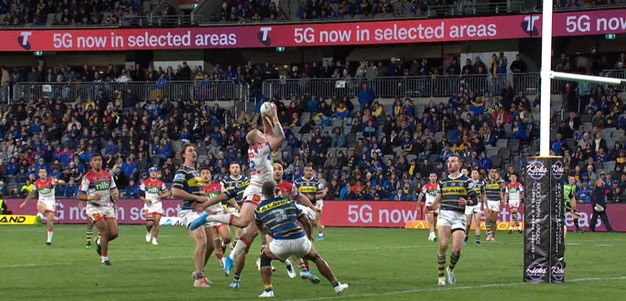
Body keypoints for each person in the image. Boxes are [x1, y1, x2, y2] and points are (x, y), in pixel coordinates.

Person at [189, 102, 288, 277]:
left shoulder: (256, 146)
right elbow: (279, 137)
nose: (264, 135)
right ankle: (208, 217)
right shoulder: (259, 150)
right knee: (242, 222)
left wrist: (264, 116)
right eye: (261, 135)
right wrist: (275, 116)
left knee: (254, 231)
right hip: (256, 190)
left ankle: (231, 259)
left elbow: (267, 132)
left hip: (263, 191)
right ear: (258, 141)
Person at [254, 180, 349, 298]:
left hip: (281, 242)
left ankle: (268, 291)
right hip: (299, 238)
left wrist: (273, 230)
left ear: (262, 193)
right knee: (316, 257)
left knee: (265, 257)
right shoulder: (288, 202)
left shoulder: (259, 209)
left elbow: (260, 227)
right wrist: (308, 236)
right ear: (276, 191)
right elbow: (306, 221)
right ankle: (336, 285)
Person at [170, 144, 214, 288]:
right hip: (189, 211)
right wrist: (196, 198)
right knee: (201, 242)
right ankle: (198, 279)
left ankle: (199, 272)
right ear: (183, 155)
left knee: (211, 245)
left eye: (194, 150)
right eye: (190, 151)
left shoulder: (194, 171)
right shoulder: (182, 171)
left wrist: (205, 205)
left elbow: (200, 195)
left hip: (200, 211)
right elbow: (175, 192)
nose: (193, 153)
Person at [433, 154, 478, 286]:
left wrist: (467, 201)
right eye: (448, 162)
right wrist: (431, 206)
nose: (450, 164)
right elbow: (438, 199)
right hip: (445, 215)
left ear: (459, 164)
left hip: (459, 217)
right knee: (444, 244)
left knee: (457, 249)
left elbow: (474, 200)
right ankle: (440, 277)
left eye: (453, 161)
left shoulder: (467, 181)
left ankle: (450, 269)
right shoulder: (442, 182)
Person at [273, 161, 321, 283]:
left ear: (283, 171)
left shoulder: (289, 186)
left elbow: (300, 196)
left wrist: (312, 207)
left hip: (288, 221)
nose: (277, 171)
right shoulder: (266, 186)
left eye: (280, 168)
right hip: (271, 222)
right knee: (272, 249)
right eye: (275, 169)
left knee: (300, 245)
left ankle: (304, 269)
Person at [77, 154, 120, 266]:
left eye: (99, 160)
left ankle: (99, 241)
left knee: (114, 234)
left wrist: (115, 196)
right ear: (91, 163)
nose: (98, 162)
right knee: (104, 231)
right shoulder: (87, 178)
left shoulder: (108, 175)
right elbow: (79, 195)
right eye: (95, 160)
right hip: (94, 208)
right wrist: (90, 197)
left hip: (107, 206)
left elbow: (114, 190)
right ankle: (104, 259)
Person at [200, 166, 235, 269]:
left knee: (227, 238)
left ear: (211, 175)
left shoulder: (218, 186)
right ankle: (222, 260)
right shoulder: (199, 189)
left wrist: (236, 205)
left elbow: (227, 196)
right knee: (214, 242)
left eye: (207, 173)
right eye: (203, 173)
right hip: (208, 218)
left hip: (219, 215)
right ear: (200, 176)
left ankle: (223, 245)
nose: (205, 175)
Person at [20, 168, 66, 246]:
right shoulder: (36, 183)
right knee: (40, 206)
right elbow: (33, 193)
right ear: (38, 174)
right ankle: (39, 217)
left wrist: (60, 181)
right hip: (42, 200)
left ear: (46, 173)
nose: (42, 173)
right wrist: (25, 202)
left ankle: (48, 241)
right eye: (41, 172)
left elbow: (62, 182)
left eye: (44, 172)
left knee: (50, 223)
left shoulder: (51, 181)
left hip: (51, 202)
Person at [294, 165, 328, 240]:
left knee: (311, 223)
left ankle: (307, 237)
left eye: (310, 170)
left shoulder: (316, 182)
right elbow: (293, 194)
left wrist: (313, 198)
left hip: (312, 205)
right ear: (304, 171)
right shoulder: (297, 182)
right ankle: (302, 237)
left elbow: (320, 195)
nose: (309, 172)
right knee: (303, 220)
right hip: (301, 205)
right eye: (307, 170)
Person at [139, 167, 169, 246]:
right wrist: (145, 200)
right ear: (149, 173)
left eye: (154, 172)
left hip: (158, 205)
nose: (153, 173)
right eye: (151, 172)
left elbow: (167, 193)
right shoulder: (145, 183)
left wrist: (162, 195)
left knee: (156, 222)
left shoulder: (161, 183)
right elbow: (139, 195)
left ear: (157, 173)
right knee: (149, 223)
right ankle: (148, 232)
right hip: (149, 205)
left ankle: (155, 239)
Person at [464, 170, 485, 246]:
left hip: (477, 204)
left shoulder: (481, 183)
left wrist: (483, 203)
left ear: (478, 175)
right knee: (468, 224)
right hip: (469, 204)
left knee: (478, 222)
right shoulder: (467, 183)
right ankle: (466, 236)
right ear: (471, 174)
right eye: (473, 173)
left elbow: (483, 194)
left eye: (476, 173)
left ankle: (478, 240)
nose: (474, 174)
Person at [417, 172, 440, 242]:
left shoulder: (439, 186)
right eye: (431, 176)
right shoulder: (426, 186)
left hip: (437, 205)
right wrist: (418, 205)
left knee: (435, 221)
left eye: (434, 176)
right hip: (429, 205)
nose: (433, 178)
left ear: (436, 178)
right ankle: (433, 235)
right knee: (431, 220)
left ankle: (431, 234)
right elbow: (421, 195)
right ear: (429, 178)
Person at [483, 169, 505, 241]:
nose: (493, 173)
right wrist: (485, 202)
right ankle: (488, 233)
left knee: (494, 220)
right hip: (488, 200)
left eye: (495, 172)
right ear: (489, 173)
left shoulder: (499, 181)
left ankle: (493, 235)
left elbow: (502, 188)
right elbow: (483, 192)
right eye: (492, 172)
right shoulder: (485, 181)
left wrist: (502, 199)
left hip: (496, 201)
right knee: (488, 217)